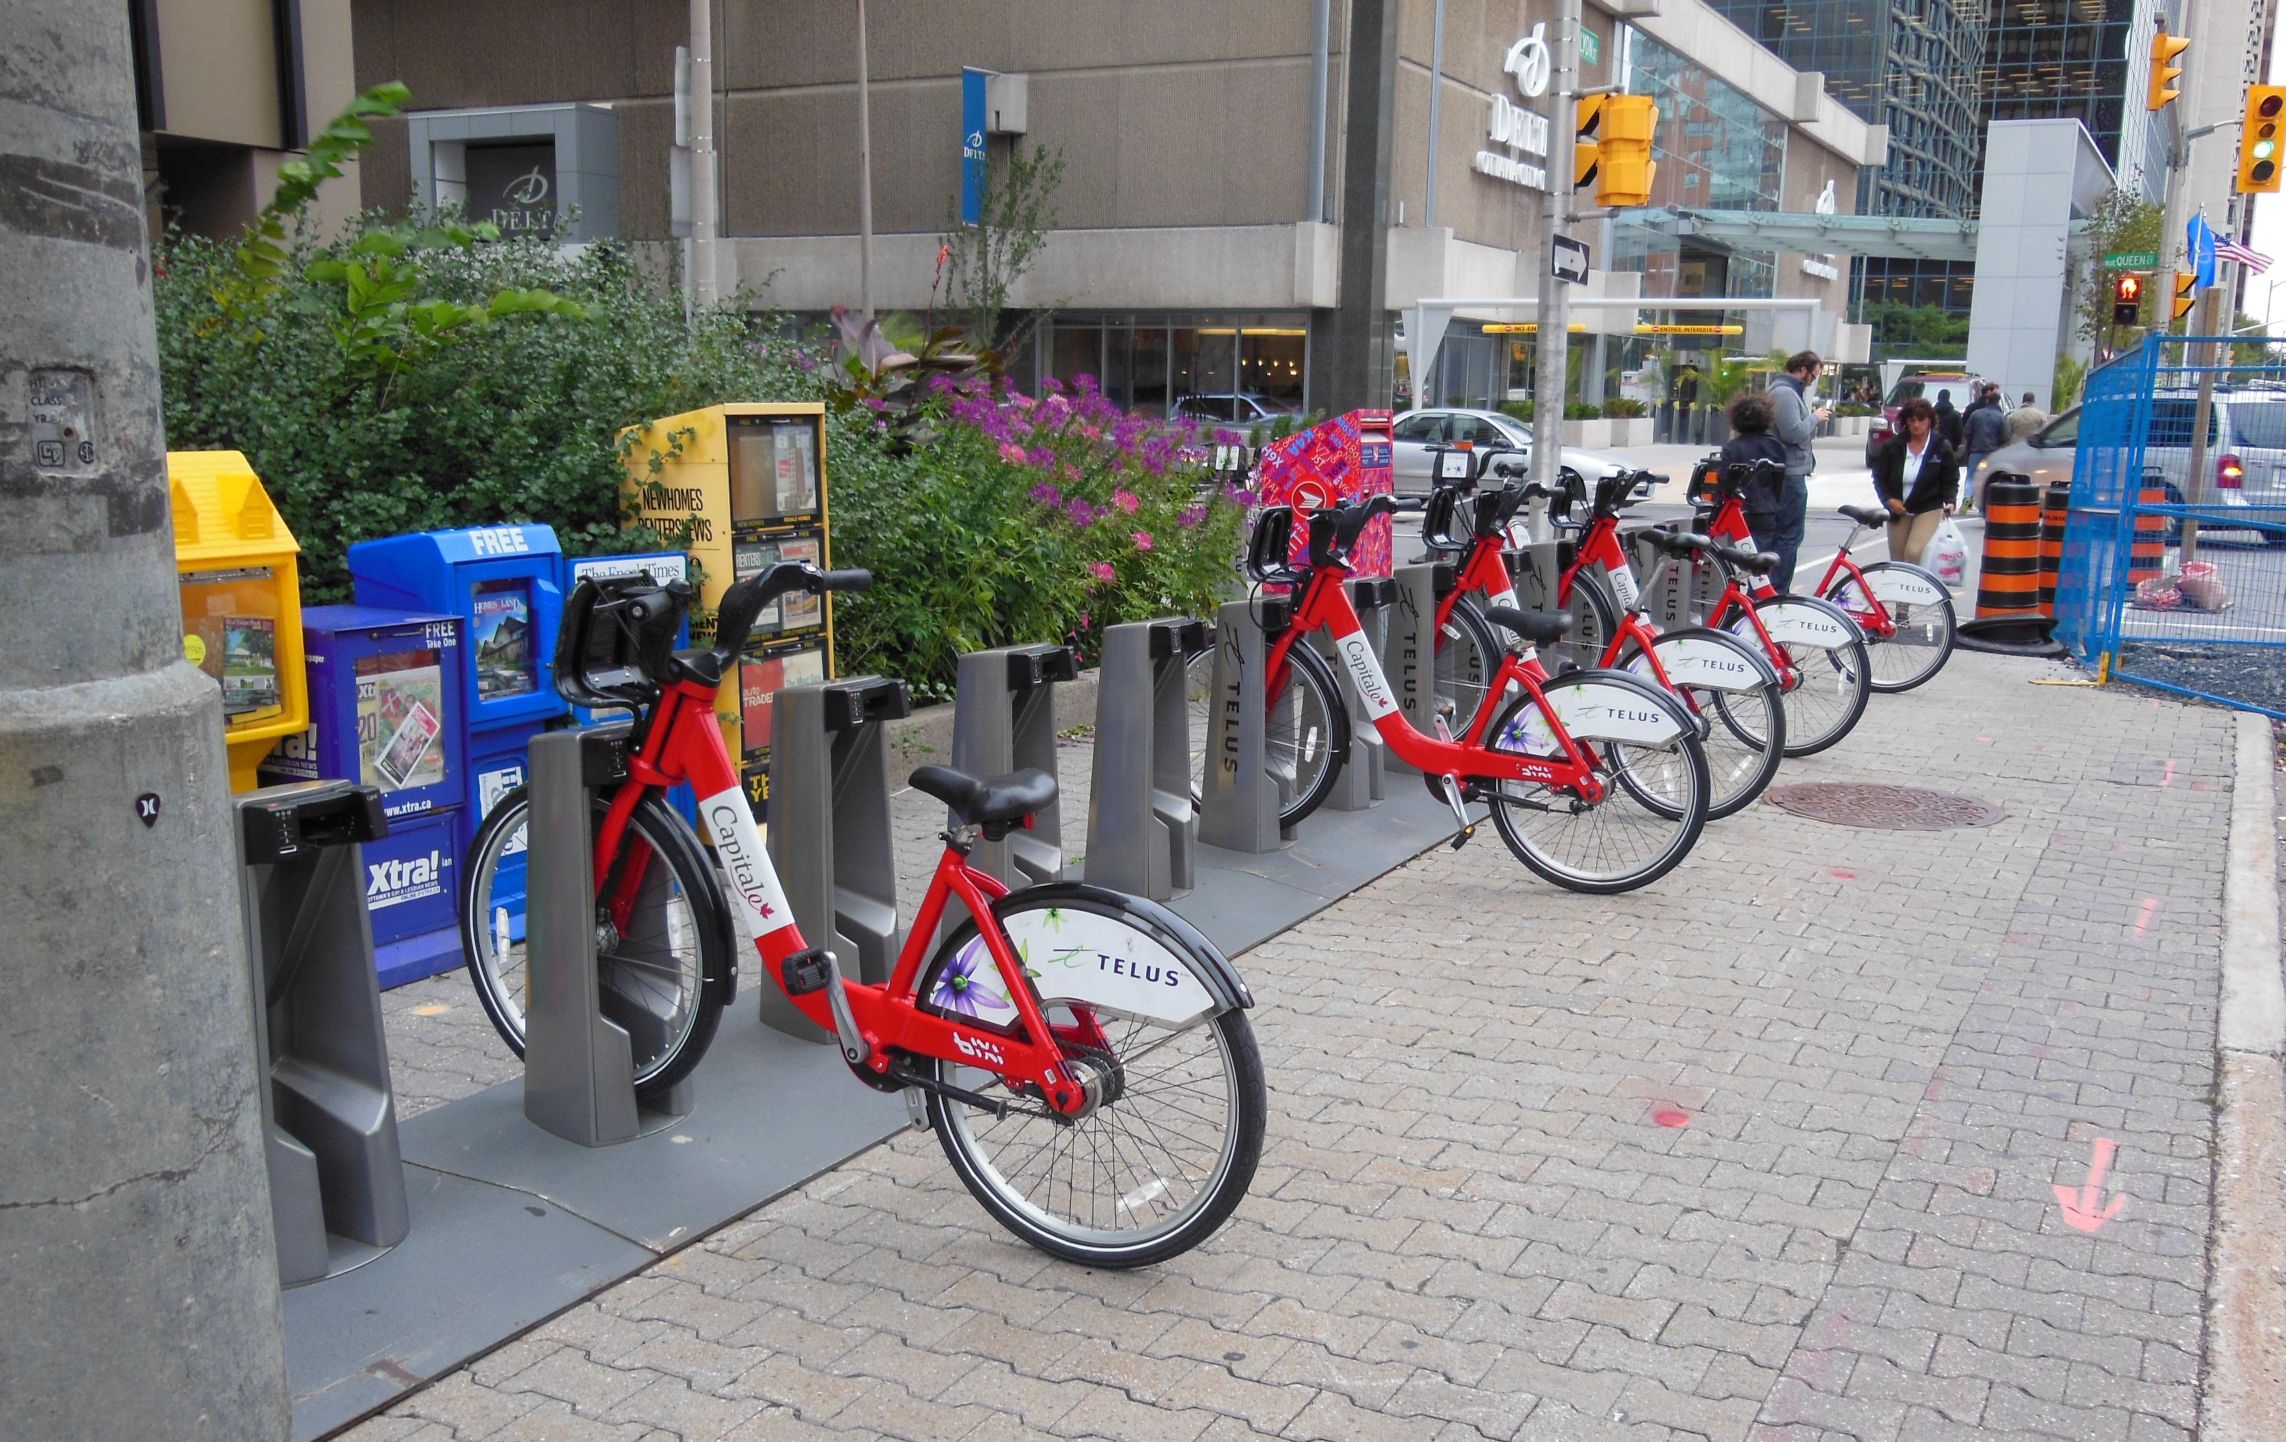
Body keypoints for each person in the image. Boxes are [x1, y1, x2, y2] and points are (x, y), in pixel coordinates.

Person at [1765, 350, 1829, 591]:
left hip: (1787, 473)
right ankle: (1777, 590)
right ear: (1802, 370)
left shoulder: (1785, 391)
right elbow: (1793, 432)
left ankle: (1773, 589)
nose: (1812, 381)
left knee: (1783, 535)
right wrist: (1815, 418)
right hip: (1789, 476)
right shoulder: (1785, 393)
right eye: (1813, 376)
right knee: (1789, 536)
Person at [1873, 397, 1958, 565]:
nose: (1917, 425)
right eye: (1912, 420)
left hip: (1928, 507)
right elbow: (1879, 476)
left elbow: (1950, 477)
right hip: (1899, 509)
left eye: (1921, 420)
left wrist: (1950, 500)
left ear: (1930, 421)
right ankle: (1900, 590)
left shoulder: (1941, 446)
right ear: (1905, 422)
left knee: (1913, 552)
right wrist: (1888, 499)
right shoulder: (1893, 446)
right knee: (1898, 560)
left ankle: (1917, 587)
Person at [1719, 394, 1790, 560]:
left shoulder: (1732, 448)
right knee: (1761, 559)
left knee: (1734, 556)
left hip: (1740, 510)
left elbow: (1724, 481)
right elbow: (1780, 482)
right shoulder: (1776, 446)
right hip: (1766, 509)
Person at [1959, 383, 2010, 513]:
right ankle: (1983, 504)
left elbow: (1966, 432)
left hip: (1975, 451)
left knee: (1971, 476)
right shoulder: (2001, 417)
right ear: (1998, 402)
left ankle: (1967, 497)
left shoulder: (1976, 414)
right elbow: (2005, 437)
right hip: (1992, 453)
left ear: (1987, 400)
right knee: (1987, 478)